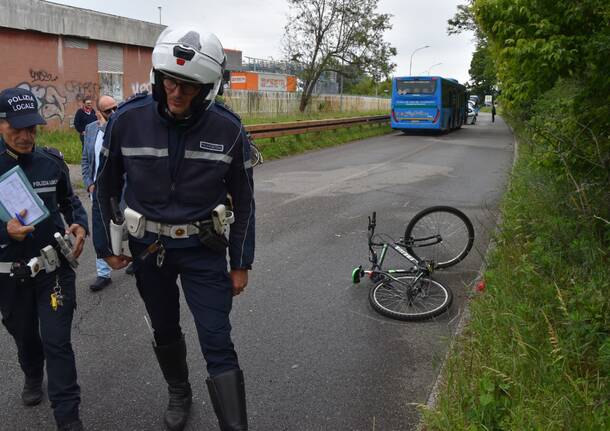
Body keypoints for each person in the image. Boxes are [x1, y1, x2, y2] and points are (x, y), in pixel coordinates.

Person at [94, 27, 254, 431]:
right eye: (170, 81)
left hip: (204, 250)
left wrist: (241, 262)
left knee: (217, 337)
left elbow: (246, 202)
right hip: (149, 251)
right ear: (157, 75)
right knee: (164, 327)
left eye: (188, 86)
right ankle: (178, 391)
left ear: (209, 88)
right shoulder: (126, 121)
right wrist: (104, 245)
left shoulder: (228, 129)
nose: (176, 93)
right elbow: (104, 187)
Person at [0, 87, 88, 431]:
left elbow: (70, 203)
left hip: (53, 270)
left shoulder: (51, 161)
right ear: (1, 124)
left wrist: (79, 224)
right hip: (9, 275)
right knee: (25, 337)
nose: (25, 137)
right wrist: (5, 232)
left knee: (58, 342)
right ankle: (32, 373)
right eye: (16, 129)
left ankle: (69, 418)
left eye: (32, 129)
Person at [81, 95, 117, 291]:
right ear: (98, 113)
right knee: (100, 230)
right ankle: (103, 273)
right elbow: (85, 160)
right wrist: (88, 184)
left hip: (120, 189)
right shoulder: (91, 129)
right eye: (108, 111)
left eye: (115, 108)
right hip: (98, 191)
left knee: (130, 228)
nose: (113, 113)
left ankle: (137, 262)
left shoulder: (121, 127)